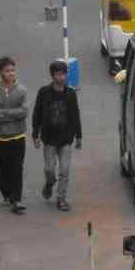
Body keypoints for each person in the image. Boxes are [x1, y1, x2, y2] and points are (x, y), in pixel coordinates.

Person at [31, 59, 82, 211]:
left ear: (66, 75)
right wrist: (35, 134)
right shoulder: (44, 92)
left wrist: (79, 136)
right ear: (52, 76)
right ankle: (49, 183)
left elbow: (75, 116)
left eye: (63, 74)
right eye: (57, 75)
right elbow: (37, 113)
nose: (61, 77)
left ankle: (61, 198)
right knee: (49, 169)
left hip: (66, 139)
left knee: (64, 170)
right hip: (49, 139)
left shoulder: (70, 94)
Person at [0, 56, 29, 214]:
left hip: (17, 137)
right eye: (7, 71)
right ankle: (6, 194)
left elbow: (23, 112)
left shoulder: (21, 91)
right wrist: (12, 114)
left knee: (17, 168)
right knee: (2, 169)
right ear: (0, 72)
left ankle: (16, 199)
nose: (11, 73)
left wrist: (2, 113)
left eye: (12, 70)